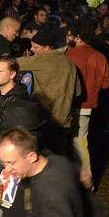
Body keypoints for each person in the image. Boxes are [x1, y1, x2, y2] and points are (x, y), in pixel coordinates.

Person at [16, 27, 80, 155]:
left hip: (45, 118)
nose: (32, 49)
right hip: (64, 120)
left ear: (47, 48)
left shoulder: (41, 60)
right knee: (59, 155)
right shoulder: (69, 63)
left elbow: (11, 63)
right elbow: (78, 91)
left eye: (35, 47)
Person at [64, 20, 109, 187]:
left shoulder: (70, 55)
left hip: (70, 105)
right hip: (88, 107)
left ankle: (83, 181)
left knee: (74, 143)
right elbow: (105, 84)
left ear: (78, 36)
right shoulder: (100, 57)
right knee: (80, 141)